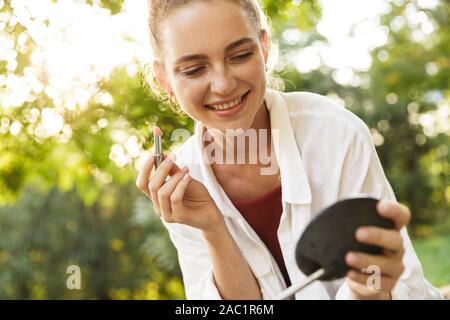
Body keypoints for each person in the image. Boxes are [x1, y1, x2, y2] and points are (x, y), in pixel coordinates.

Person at [135, 0, 443, 300]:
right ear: (165, 79)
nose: (223, 84)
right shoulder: (180, 185)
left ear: (264, 48)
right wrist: (212, 227)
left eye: (240, 55)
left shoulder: (335, 133)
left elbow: (388, 280)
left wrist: (370, 288)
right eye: (194, 69)